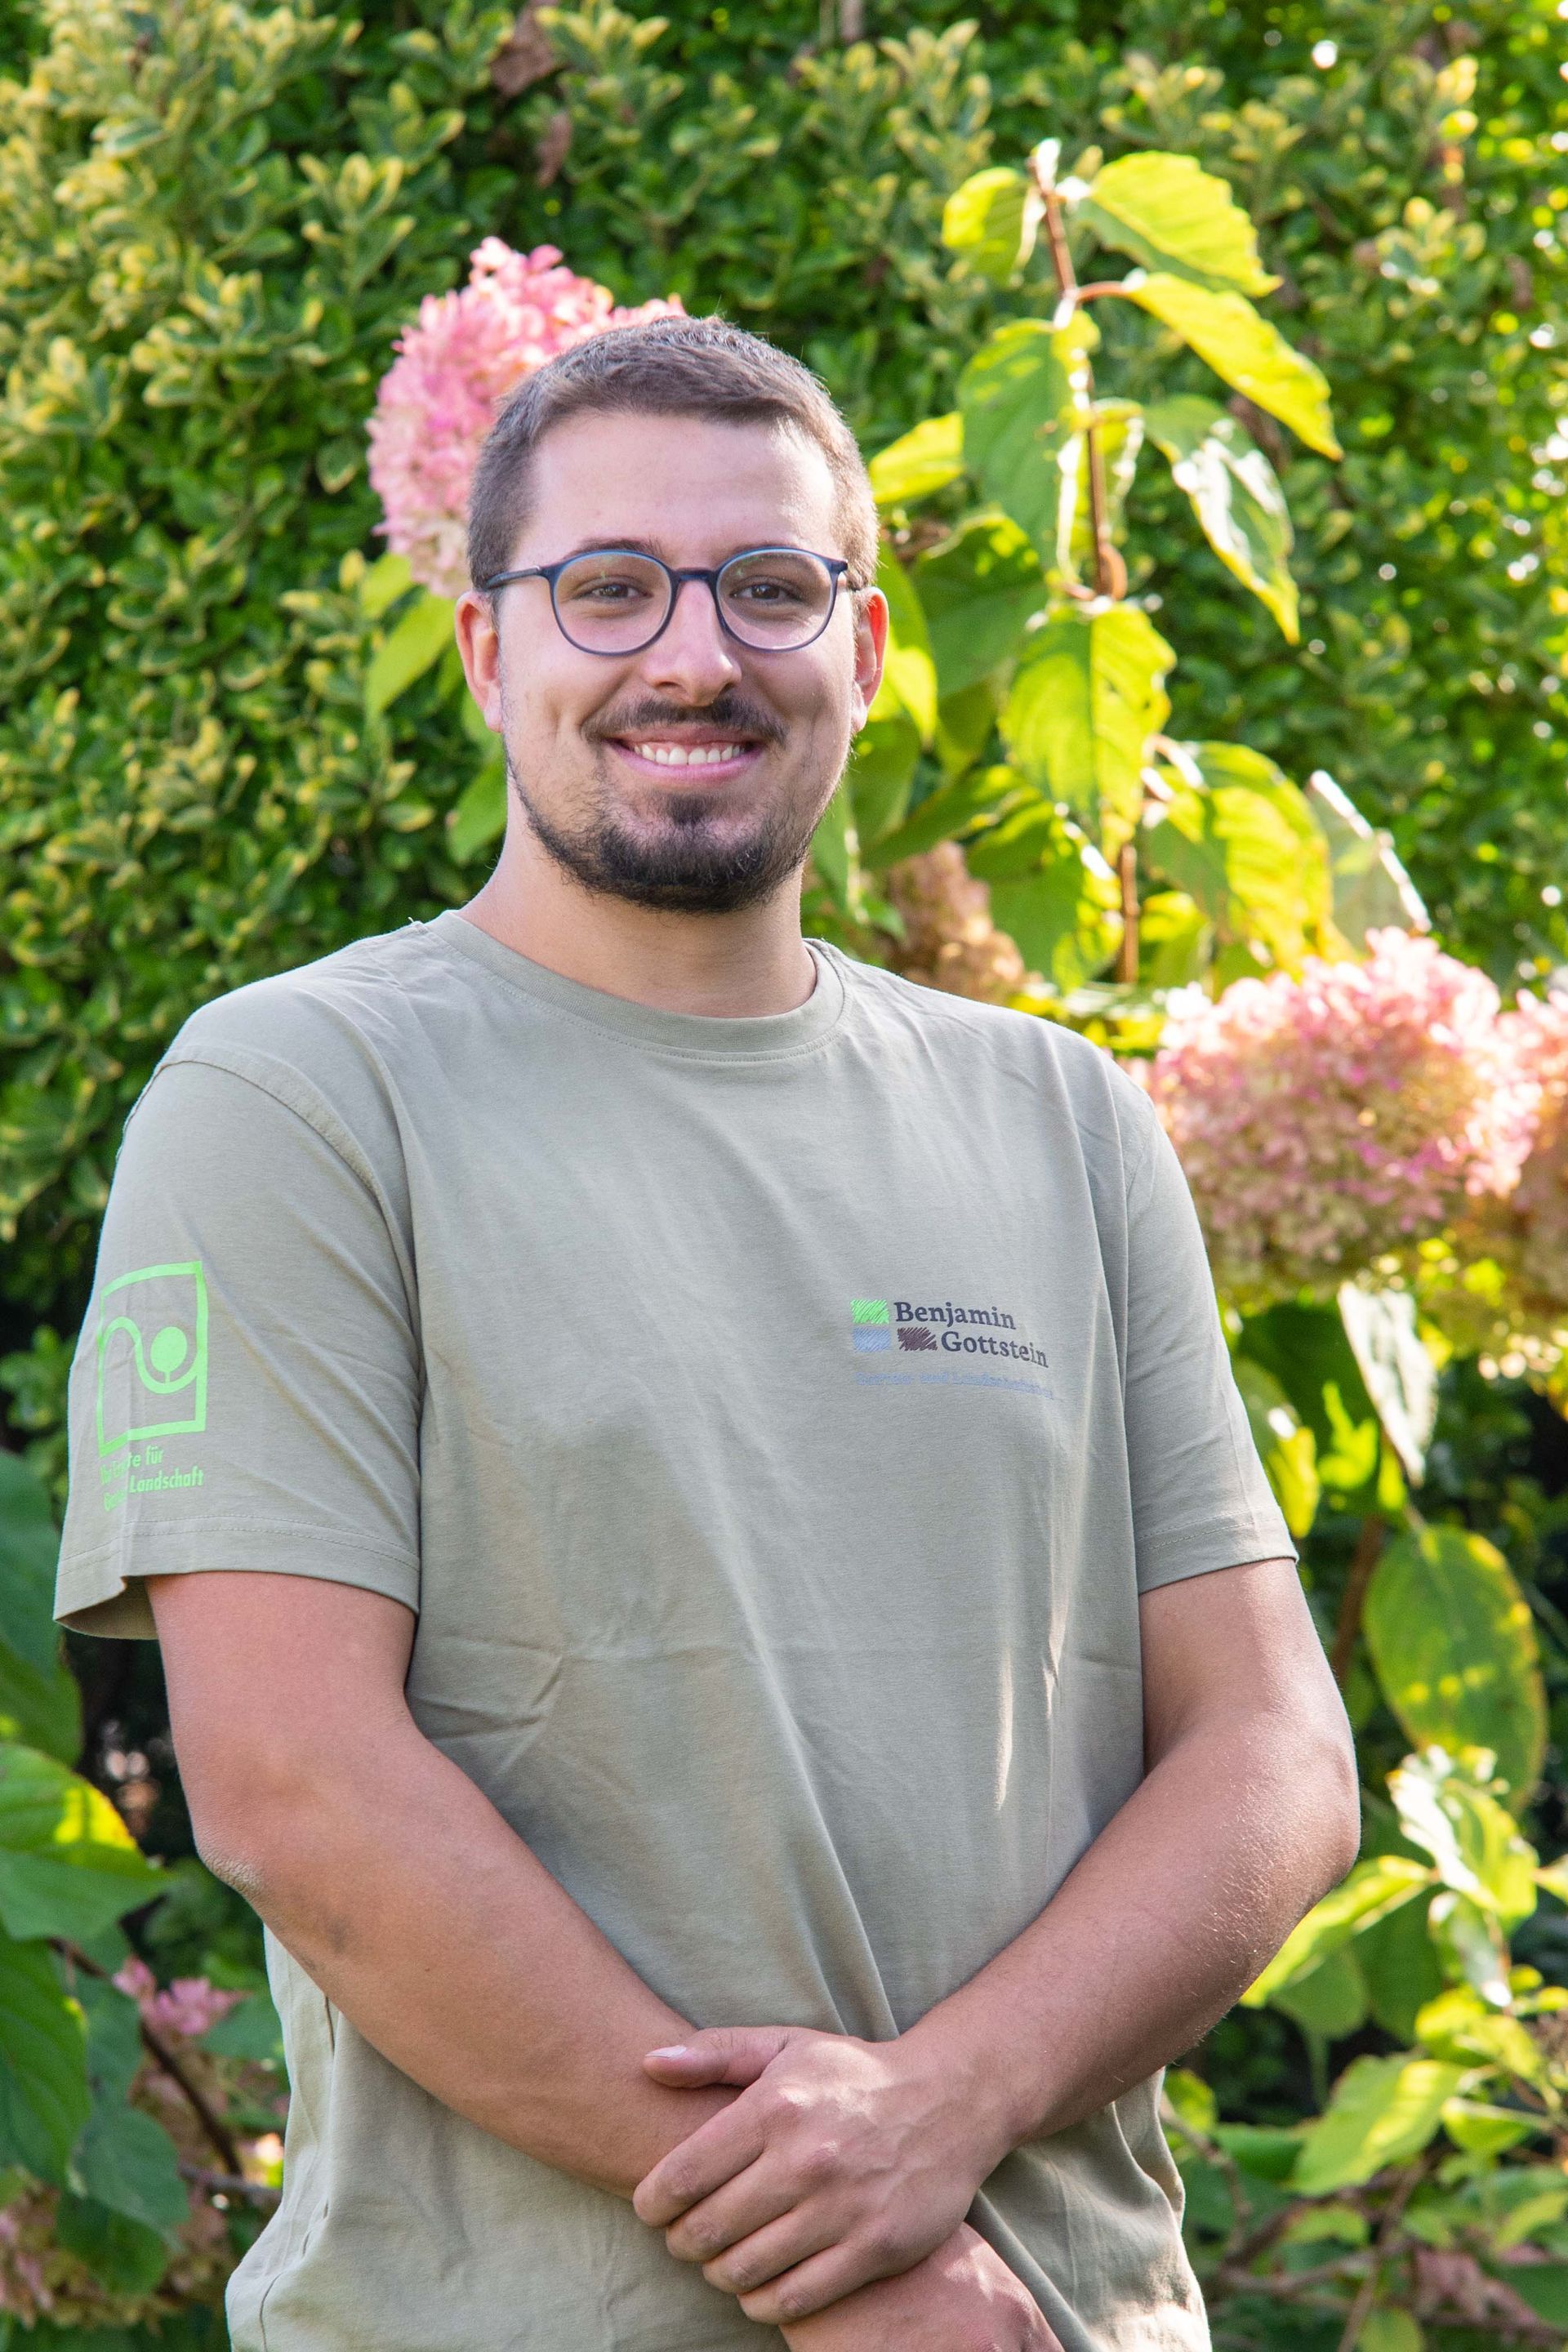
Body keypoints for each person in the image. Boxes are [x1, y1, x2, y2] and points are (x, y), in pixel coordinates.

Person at [56, 314, 1360, 2352]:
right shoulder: (303, 1096)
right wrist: (871, 2278)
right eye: (606, 590)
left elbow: (1273, 1755)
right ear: (490, 651)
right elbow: (295, 1784)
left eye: (770, 588)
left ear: (857, 642)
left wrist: (944, 2117)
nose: (693, 657)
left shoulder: (1062, 1121)